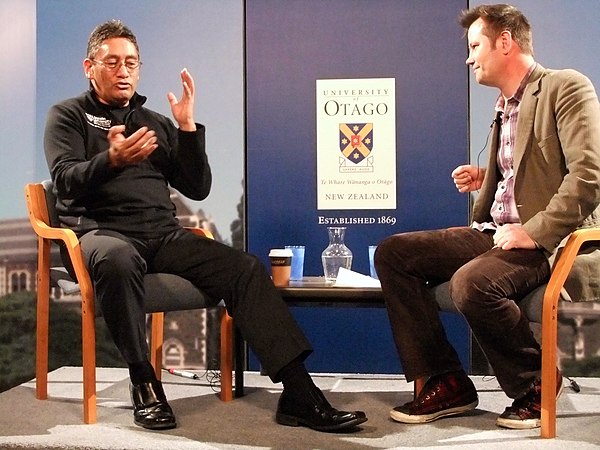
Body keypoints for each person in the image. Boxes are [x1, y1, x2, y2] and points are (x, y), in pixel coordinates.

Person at [43, 19, 367, 432]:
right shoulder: (67, 115)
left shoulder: (154, 121)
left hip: (162, 235)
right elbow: (65, 179)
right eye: (112, 63)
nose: (123, 71)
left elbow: (196, 187)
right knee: (118, 258)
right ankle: (144, 382)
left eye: (131, 62)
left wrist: (187, 129)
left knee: (244, 268)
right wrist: (112, 159)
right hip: (97, 235)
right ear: (90, 67)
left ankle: (299, 393)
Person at [374, 3, 600, 430]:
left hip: (548, 239)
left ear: (505, 42)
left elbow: (588, 176)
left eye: (475, 45)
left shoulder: (565, 87)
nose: (469, 56)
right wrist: (487, 175)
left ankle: (536, 382)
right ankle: (448, 381)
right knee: (393, 253)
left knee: (470, 283)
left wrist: (533, 233)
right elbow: (532, 167)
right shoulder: (504, 106)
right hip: (495, 230)